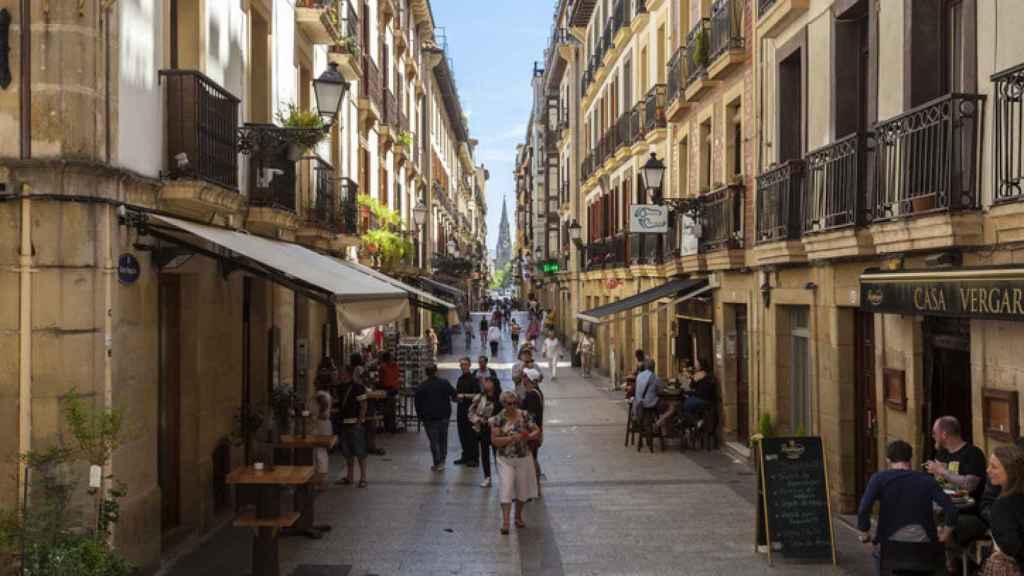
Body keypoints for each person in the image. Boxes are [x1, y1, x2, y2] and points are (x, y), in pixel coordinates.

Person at [856, 440, 956, 572]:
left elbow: (863, 509)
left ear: (887, 459)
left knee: (877, 555)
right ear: (910, 459)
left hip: (890, 548)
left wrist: (865, 537)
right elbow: (951, 509)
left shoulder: (879, 479)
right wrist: (945, 534)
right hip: (923, 548)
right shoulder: (927, 480)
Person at [490, 391, 541, 534]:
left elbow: (536, 430)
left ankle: (518, 516)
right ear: (503, 404)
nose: (512, 406)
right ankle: (505, 521)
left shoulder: (524, 415)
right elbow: (494, 441)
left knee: (522, 489)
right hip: (505, 459)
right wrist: (510, 439)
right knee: (506, 487)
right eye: (508, 403)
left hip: (523, 458)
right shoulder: (498, 419)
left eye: (514, 403)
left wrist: (528, 436)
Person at [980, 445, 1024, 576]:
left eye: (994, 467)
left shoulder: (1003, 505)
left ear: (1011, 471)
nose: (988, 471)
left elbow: (1012, 547)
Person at [415, 364, 457, 471]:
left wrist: (420, 417)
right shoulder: (444, 383)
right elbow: (454, 394)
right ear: (436, 371)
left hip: (429, 419)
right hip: (444, 417)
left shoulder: (421, 386)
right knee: (443, 440)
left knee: (434, 441)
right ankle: (442, 461)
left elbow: (417, 404)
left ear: (426, 373)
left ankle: (437, 462)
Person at [334, 365, 369, 488]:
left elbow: (364, 404)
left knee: (360, 451)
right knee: (347, 452)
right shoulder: (338, 387)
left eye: (341, 372)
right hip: (343, 423)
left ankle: (363, 477)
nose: (339, 374)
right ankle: (350, 477)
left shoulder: (358, 387)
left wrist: (360, 421)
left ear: (347, 374)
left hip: (354, 424)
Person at [469, 375, 500, 487]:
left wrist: (494, 420)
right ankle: (487, 477)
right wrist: (478, 419)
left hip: (497, 431)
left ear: (493, 384)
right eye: (485, 382)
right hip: (484, 430)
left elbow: (504, 415)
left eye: (487, 381)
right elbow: (471, 412)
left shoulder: (500, 399)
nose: (485, 383)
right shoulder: (480, 397)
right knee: (485, 455)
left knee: (498, 455)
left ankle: (502, 475)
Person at [521, 367, 545, 495]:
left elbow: (529, 415)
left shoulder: (532, 395)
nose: (523, 379)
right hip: (535, 432)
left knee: (531, 459)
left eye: (525, 376)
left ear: (529, 379)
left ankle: (536, 487)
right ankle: (536, 487)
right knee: (533, 458)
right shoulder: (536, 392)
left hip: (531, 433)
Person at [454, 357, 481, 467]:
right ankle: (465, 456)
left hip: (471, 411)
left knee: (471, 435)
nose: (463, 366)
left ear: (469, 365)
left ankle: (474, 458)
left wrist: (464, 396)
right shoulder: (460, 379)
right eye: (461, 365)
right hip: (461, 410)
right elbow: (457, 393)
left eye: (465, 364)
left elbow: (478, 395)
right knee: (462, 434)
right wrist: (456, 397)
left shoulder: (473, 379)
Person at [313, 389, 333, 489]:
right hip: (325, 425)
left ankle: (321, 480)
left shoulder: (321, 395)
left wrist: (313, 416)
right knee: (321, 452)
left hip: (321, 425)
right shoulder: (328, 395)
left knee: (320, 453)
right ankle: (321, 480)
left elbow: (322, 412)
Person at [378, 351, 400, 433]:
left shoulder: (383, 367)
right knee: (391, 408)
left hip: (388, 390)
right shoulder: (395, 366)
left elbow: (381, 380)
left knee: (387, 408)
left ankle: (388, 426)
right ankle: (391, 426)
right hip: (393, 389)